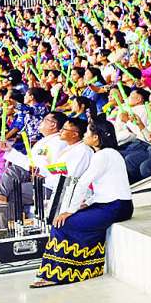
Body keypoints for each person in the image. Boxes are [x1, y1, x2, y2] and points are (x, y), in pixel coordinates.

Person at [33, 119, 133, 288]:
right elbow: (108, 187)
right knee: (73, 219)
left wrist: (69, 211)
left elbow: (81, 184)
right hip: (116, 205)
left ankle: (56, 274)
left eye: (87, 132)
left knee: (62, 223)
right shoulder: (110, 153)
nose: (85, 135)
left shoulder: (103, 155)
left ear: (96, 138)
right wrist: (87, 203)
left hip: (114, 206)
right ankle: (86, 269)